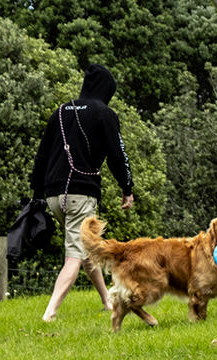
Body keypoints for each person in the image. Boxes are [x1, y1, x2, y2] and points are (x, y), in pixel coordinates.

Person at [30, 64, 134, 322]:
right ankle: (50, 313)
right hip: (80, 194)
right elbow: (117, 155)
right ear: (106, 89)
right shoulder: (104, 113)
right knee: (74, 257)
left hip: (54, 196)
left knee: (87, 250)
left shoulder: (60, 111)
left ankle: (107, 302)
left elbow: (42, 155)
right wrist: (127, 188)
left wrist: (37, 193)